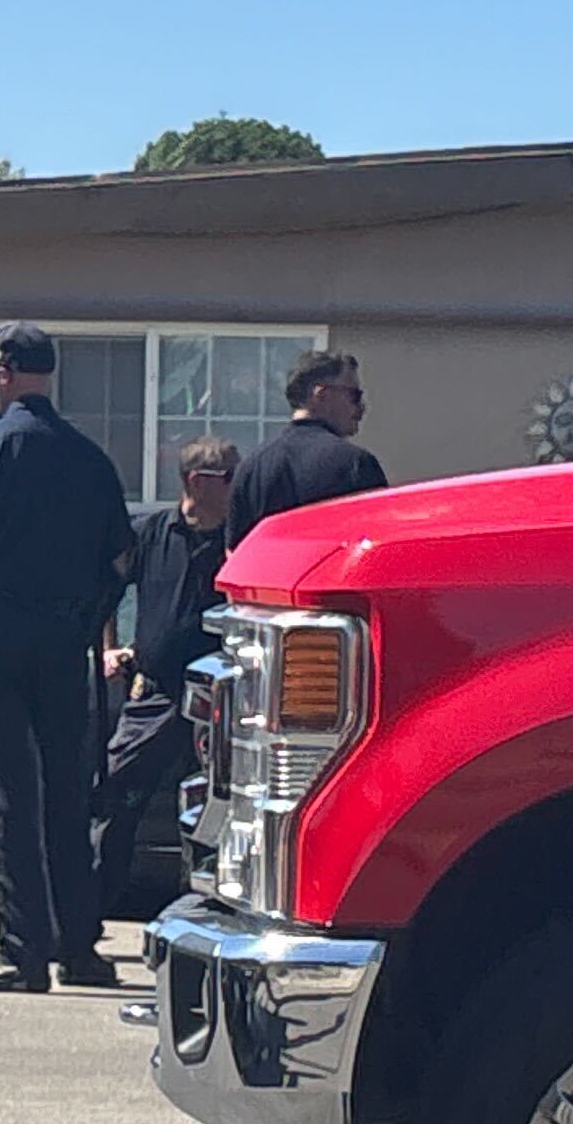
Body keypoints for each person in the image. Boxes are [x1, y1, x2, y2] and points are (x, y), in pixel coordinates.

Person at [0, 320, 131, 993]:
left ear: (5, 372)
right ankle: (80, 946)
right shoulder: (89, 458)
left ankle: (21, 950)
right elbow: (120, 560)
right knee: (67, 795)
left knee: (4, 794)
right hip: (65, 644)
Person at [93, 434, 238, 900]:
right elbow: (104, 589)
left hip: (223, 697)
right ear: (197, 481)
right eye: (231, 478)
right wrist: (109, 648)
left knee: (220, 810)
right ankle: (93, 904)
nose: (241, 486)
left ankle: (206, 902)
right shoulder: (153, 533)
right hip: (156, 690)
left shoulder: (241, 538)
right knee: (114, 791)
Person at [223, 350, 387, 540]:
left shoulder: (251, 468)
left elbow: (235, 552)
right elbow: (377, 542)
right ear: (321, 395)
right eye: (354, 395)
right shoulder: (356, 464)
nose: (360, 407)